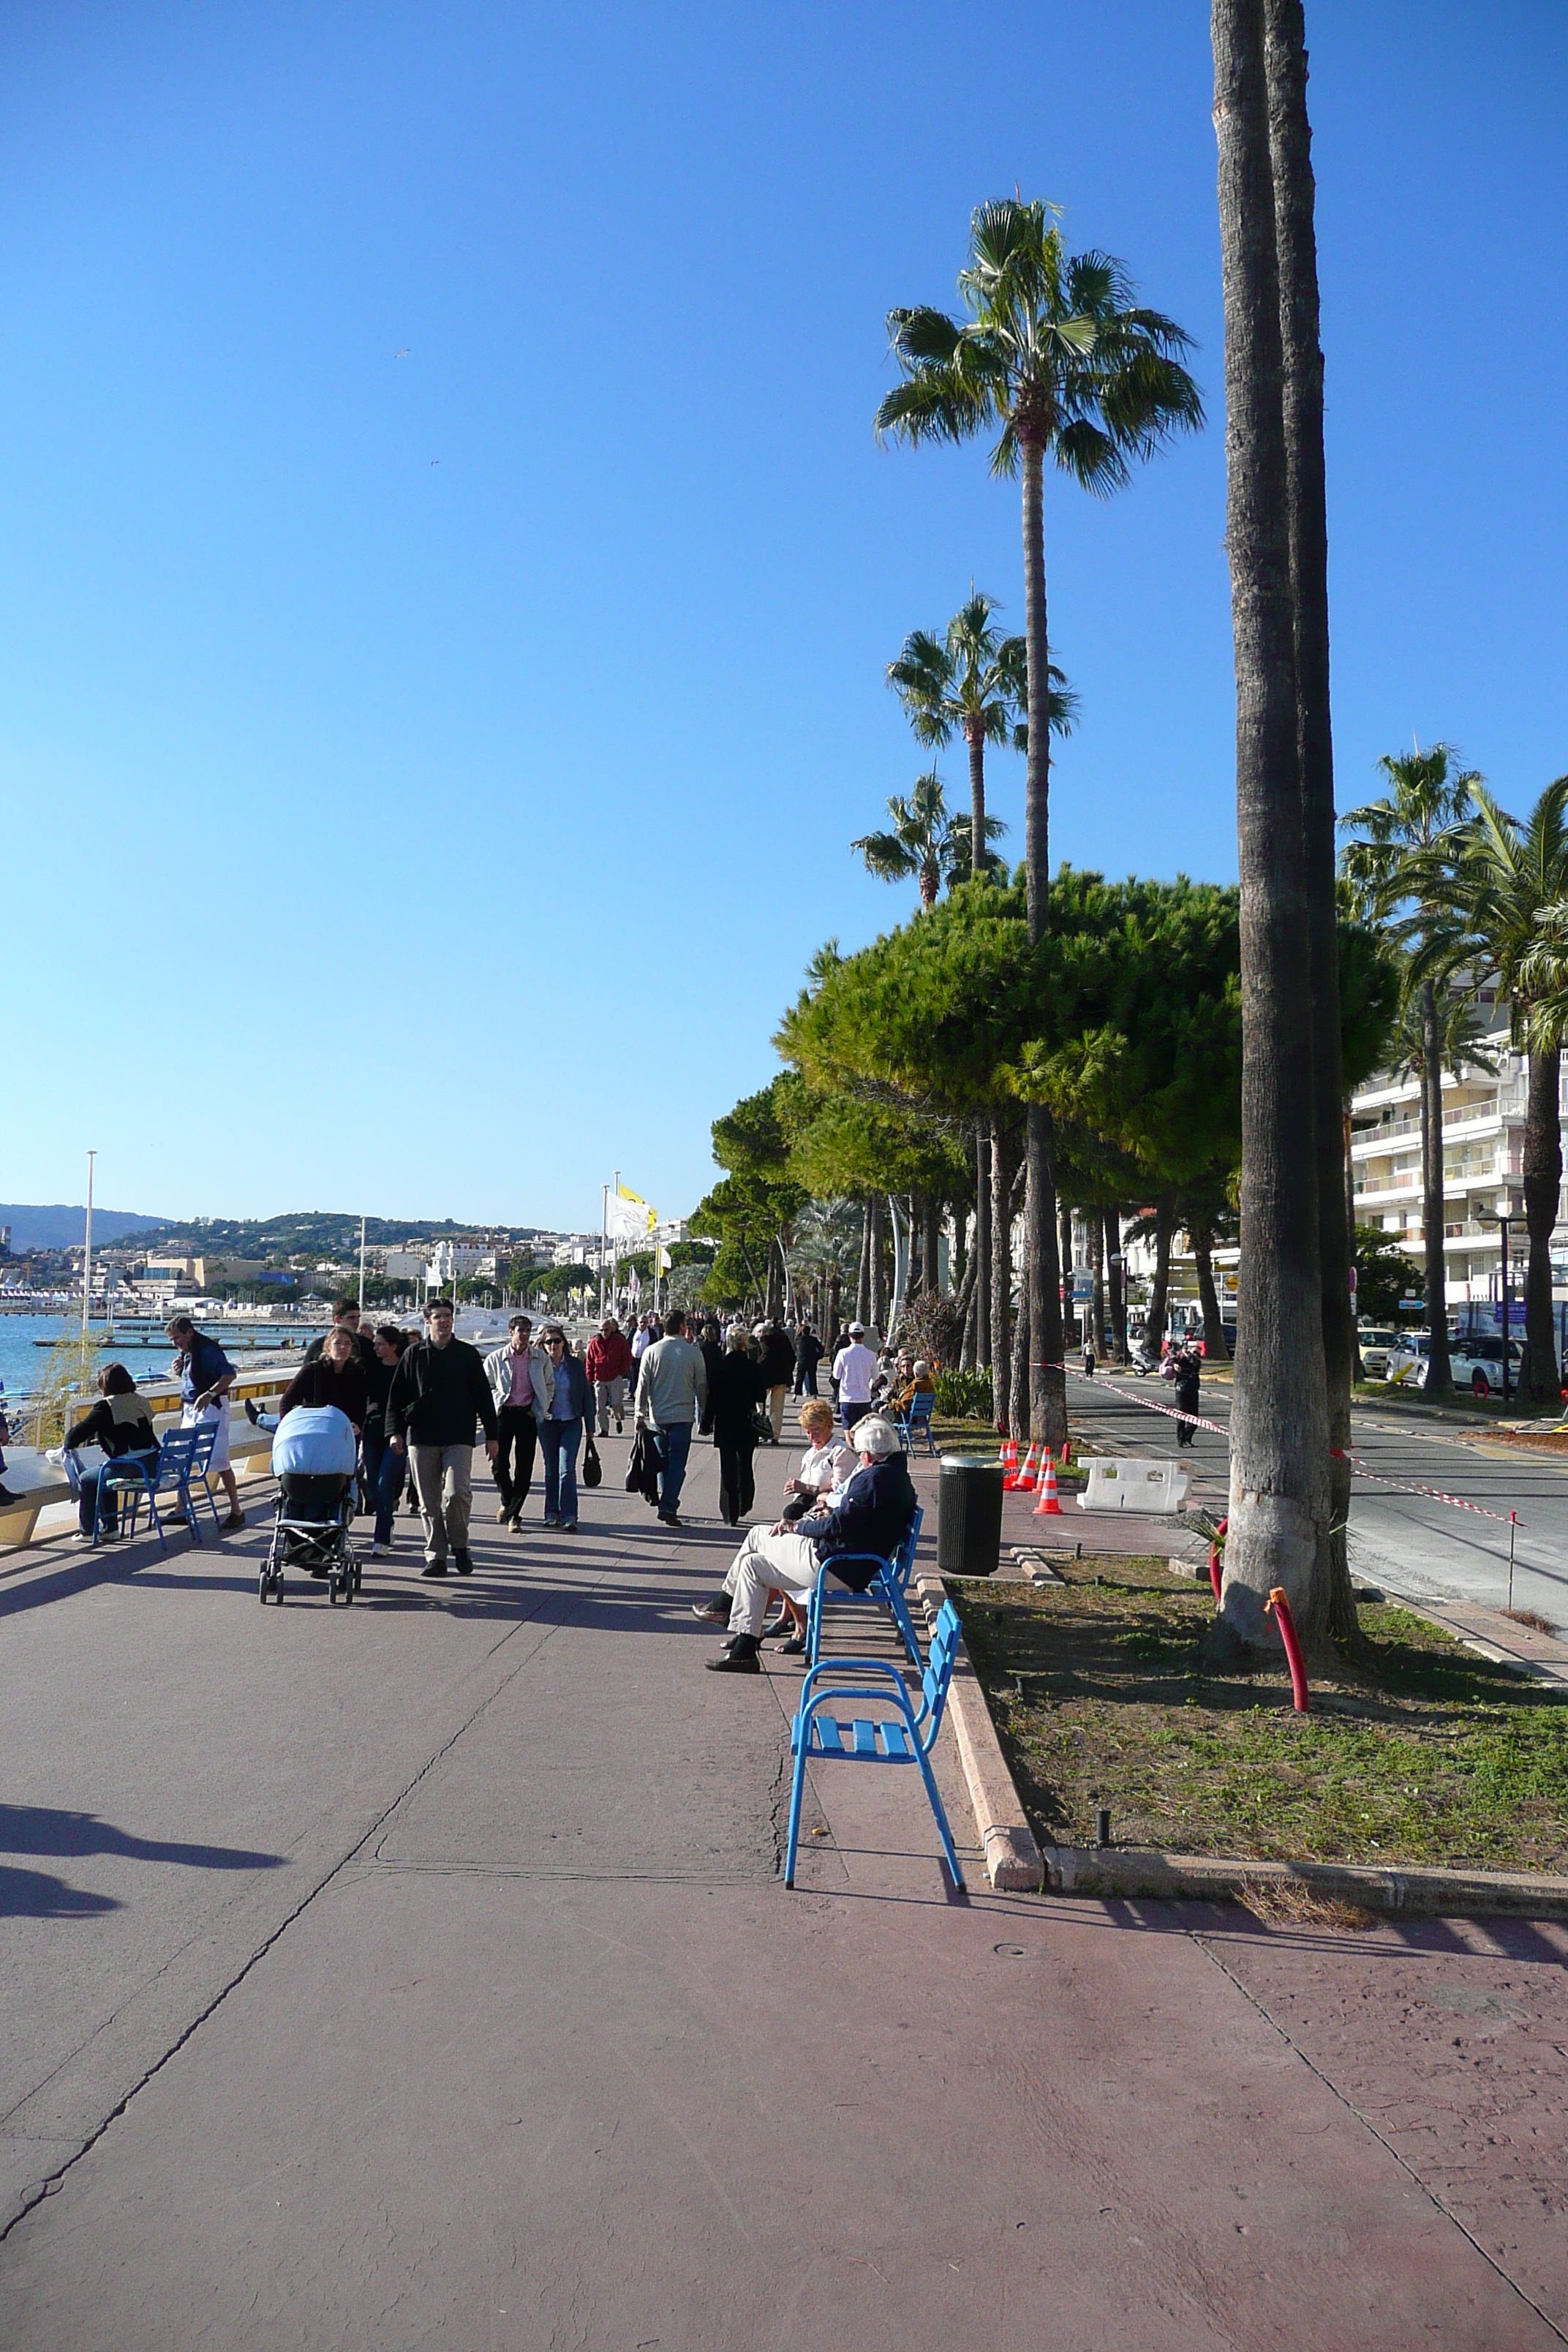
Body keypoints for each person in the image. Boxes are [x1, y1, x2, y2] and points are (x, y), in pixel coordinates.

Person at [695, 1416, 916, 1673]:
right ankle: (744, 1649)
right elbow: (850, 1520)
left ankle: (723, 1605)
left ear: (867, 1455)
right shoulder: (897, 1477)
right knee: (753, 1564)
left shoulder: (874, 1480)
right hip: (851, 1562)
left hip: (834, 1565)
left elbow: (837, 1526)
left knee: (757, 1535)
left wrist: (798, 1527)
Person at [385, 1297, 499, 1577]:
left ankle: (460, 1546)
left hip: (459, 1434)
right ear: (428, 1321)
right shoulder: (414, 1354)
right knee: (429, 1501)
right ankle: (436, 1555)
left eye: (448, 1316)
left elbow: (484, 1397)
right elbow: (396, 1396)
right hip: (421, 1436)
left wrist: (493, 1435)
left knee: (457, 1492)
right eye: (438, 1316)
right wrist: (394, 1432)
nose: (444, 1320)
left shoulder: (466, 1354)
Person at [167, 1314, 245, 1531]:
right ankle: (180, 1508)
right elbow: (192, 1378)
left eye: (179, 1338)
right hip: (191, 1408)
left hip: (212, 1409)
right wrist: (180, 1370)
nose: (176, 1343)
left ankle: (236, 1510)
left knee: (220, 1461)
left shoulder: (207, 1350)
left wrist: (210, 1393)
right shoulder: (190, 1353)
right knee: (182, 1457)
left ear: (190, 1332)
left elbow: (229, 1375)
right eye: (172, 1340)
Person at [64, 1364, 158, 1542]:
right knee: (104, 1474)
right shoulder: (140, 1400)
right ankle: (109, 1529)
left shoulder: (106, 1406)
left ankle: (88, 1531)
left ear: (105, 1386)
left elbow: (72, 1438)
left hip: (132, 1468)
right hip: (153, 1465)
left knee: (87, 1479)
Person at [633, 1306, 708, 1526]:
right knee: (677, 1463)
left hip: (658, 1416)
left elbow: (642, 1385)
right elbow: (701, 1386)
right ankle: (668, 1504)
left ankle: (667, 1503)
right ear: (683, 1327)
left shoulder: (651, 1352)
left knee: (663, 1461)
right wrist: (704, 1414)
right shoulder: (693, 1352)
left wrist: (640, 1414)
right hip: (683, 1416)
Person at [483, 1314, 551, 1529]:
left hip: (527, 1414)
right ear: (511, 1332)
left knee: (525, 1466)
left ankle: (515, 1515)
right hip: (504, 1414)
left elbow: (549, 1384)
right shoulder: (496, 1358)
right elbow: (487, 1386)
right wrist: (496, 1403)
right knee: (499, 1464)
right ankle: (507, 1502)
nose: (524, 1335)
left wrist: (540, 1408)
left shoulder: (540, 1358)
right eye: (520, 1330)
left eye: (528, 1331)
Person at [709, 1326, 768, 1527]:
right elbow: (761, 1396)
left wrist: (706, 1423)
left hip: (725, 1422)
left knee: (727, 1466)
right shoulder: (753, 1368)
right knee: (745, 1463)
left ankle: (730, 1510)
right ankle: (745, 1503)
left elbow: (712, 1399)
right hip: (746, 1421)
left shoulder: (720, 1366)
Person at [361, 1324, 409, 1558]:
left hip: (398, 1434)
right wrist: (365, 1409)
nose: (376, 1347)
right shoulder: (370, 1368)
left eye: (380, 1344)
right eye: (375, 1344)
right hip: (372, 1432)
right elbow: (358, 1394)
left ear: (393, 1346)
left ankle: (380, 1539)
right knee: (373, 1485)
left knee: (384, 1483)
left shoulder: (405, 1368)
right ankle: (387, 1521)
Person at [538, 1324, 590, 1530]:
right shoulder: (539, 1365)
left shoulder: (575, 1365)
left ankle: (570, 1515)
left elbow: (586, 1393)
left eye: (557, 1341)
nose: (553, 1345)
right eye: (549, 1342)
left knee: (566, 1469)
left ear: (564, 1343)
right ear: (542, 1345)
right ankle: (552, 1512)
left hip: (572, 1422)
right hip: (547, 1424)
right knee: (551, 1470)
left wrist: (591, 1425)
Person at [277, 1322, 369, 1428]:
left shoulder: (357, 1373)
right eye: (338, 1343)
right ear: (328, 1347)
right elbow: (286, 1403)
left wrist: (357, 1424)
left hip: (343, 1433)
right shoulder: (312, 1370)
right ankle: (260, 1417)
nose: (343, 1347)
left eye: (347, 1343)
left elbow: (360, 1406)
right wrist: (290, 1428)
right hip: (315, 1429)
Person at [584, 1314, 634, 1437]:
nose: (604, 1333)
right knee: (600, 1407)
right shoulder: (595, 1343)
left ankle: (618, 1420)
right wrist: (589, 1379)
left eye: (606, 1330)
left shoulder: (619, 1340)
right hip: (600, 1379)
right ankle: (604, 1429)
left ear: (611, 1329)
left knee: (616, 1403)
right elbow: (589, 1362)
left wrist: (621, 1373)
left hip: (615, 1378)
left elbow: (628, 1358)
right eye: (601, 1330)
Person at [304, 1297, 377, 1372]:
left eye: (358, 1317)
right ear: (337, 1319)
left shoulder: (367, 1345)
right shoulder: (318, 1346)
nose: (356, 1322)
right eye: (351, 1318)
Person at [831, 1319, 878, 1433]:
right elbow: (875, 1376)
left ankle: (851, 1448)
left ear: (849, 1335)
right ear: (863, 1336)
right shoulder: (871, 1355)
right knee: (863, 1430)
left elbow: (836, 1375)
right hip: (864, 1398)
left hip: (847, 1398)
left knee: (848, 1429)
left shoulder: (843, 1353)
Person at [755, 1319, 796, 1443]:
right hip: (782, 1378)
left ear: (761, 1332)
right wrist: (788, 1371)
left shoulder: (765, 1339)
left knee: (760, 1405)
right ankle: (775, 1435)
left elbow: (765, 1357)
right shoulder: (783, 1339)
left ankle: (761, 1431)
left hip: (766, 1378)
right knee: (777, 1409)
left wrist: (757, 1368)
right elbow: (792, 1357)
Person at [696, 1318, 725, 1436]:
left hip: (702, 1376)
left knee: (700, 1400)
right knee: (712, 1401)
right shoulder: (717, 1349)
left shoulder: (700, 1347)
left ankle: (700, 1423)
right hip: (714, 1377)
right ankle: (710, 1423)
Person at [1171, 1341, 1201, 1447]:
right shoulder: (1179, 1358)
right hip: (1181, 1390)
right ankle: (1181, 1441)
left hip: (1193, 1390)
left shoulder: (1195, 1361)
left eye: (1198, 1353)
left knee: (1194, 1419)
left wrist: (1190, 1356)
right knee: (1181, 1417)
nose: (1196, 1355)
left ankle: (1187, 1439)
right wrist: (1174, 1364)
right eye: (1195, 1352)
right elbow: (1170, 1360)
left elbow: (1195, 1363)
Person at [794, 1323, 824, 1398]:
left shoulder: (799, 1340)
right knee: (812, 1377)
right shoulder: (813, 1340)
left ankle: (796, 1393)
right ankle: (814, 1393)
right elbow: (821, 1348)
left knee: (799, 1377)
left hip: (802, 1360)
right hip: (812, 1360)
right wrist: (817, 1356)